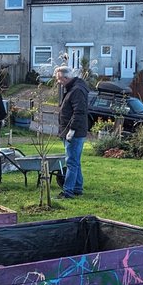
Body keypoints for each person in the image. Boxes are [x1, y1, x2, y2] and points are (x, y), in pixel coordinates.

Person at [54, 65, 89, 199]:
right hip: (69, 130)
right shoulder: (72, 88)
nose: (58, 82)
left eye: (60, 79)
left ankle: (67, 192)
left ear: (67, 78)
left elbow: (79, 112)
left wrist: (72, 130)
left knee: (71, 162)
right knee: (75, 161)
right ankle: (78, 188)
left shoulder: (77, 90)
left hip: (74, 132)